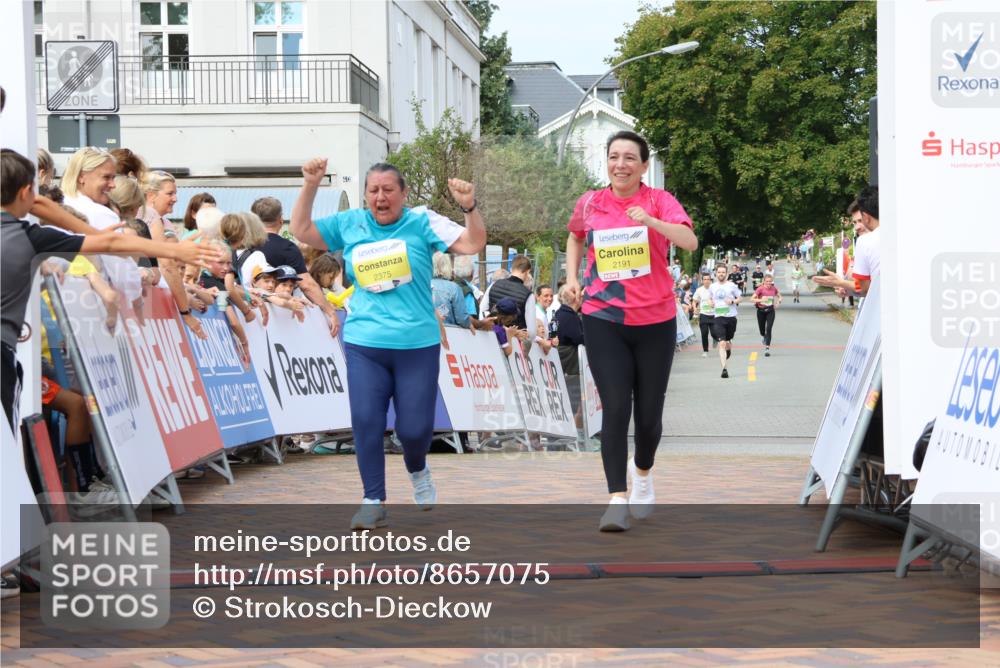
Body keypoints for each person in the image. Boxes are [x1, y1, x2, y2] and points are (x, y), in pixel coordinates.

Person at [290, 158, 485, 529]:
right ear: (365, 195)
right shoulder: (351, 223)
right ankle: (373, 498)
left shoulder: (423, 221)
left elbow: (474, 242)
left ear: (404, 194)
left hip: (417, 345)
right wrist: (311, 184)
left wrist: (469, 207)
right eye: (373, 191)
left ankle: (417, 467)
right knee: (365, 420)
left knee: (414, 431)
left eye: (388, 191)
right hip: (366, 342)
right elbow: (301, 229)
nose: (381, 198)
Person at [1, 149, 220, 430]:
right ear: (25, 192)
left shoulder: (29, 230)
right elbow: (112, 246)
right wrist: (173, 249)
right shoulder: (28, 236)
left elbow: (41, 204)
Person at [563, 130, 697, 532]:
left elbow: (689, 241)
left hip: (655, 320)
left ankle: (643, 472)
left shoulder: (660, 200)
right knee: (616, 407)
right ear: (606, 162)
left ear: (642, 166)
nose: (620, 164)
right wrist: (572, 279)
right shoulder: (590, 202)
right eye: (613, 156)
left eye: (629, 158)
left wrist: (652, 221)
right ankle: (616, 498)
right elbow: (574, 236)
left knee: (649, 417)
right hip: (604, 317)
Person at [252, 196, 340, 336]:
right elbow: (307, 285)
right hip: (281, 319)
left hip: (250, 314)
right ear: (281, 220)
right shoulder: (287, 248)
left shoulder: (242, 246)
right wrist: (331, 312)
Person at [812, 186, 880, 299]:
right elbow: (869, 290)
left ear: (867, 217)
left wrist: (840, 282)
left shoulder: (865, 242)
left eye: (860, 220)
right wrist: (848, 291)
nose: (857, 227)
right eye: (854, 223)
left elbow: (865, 288)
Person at [482, 255, 533, 328]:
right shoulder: (528, 294)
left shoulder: (494, 285)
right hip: (515, 336)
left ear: (511, 269)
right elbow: (532, 331)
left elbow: (483, 310)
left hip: (492, 333)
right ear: (528, 271)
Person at [709, 264, 741, 378]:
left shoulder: (731, 285)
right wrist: (710, 303)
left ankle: (728, 349)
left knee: (727, 342)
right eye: (719, 272)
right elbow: (709, 298)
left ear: (726, 273)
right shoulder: (712, 286)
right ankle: (724, 369)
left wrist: (732, 302)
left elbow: (740, 298)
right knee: (722, 343)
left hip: (731, 317)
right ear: (716, 273)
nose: (721, 274)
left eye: (723, 272)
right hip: (718, 317)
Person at [431, 252, 470, 327]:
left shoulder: (423, 286)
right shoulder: (454, 288)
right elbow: (462, 319)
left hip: (426, 332)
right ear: (448, 266)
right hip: (450, 333)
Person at [751, 274, 782, 357]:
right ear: (764, 281)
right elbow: (752, 299)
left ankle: (767, 348)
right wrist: (761, 299)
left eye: (770, 281)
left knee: (768, 328)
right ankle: (764, 336)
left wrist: (779, 302)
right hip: (761, 311)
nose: (768, 283)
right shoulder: (760, 289)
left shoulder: (774, 288)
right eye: (767, 281)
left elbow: (780, 296)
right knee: (762, 331)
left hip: (770, 311)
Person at [692, 273, 718, 358]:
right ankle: (705, 350)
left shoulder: (715, 289)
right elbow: (694, 301)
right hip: (703, 314)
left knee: (714, 333)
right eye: (705, 279)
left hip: (714, 314)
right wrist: (695, 308)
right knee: (704, 333)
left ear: (710, 280)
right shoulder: (699, 290)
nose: (706, 281)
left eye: (708, 279)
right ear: (702, 281)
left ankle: (715, 338)